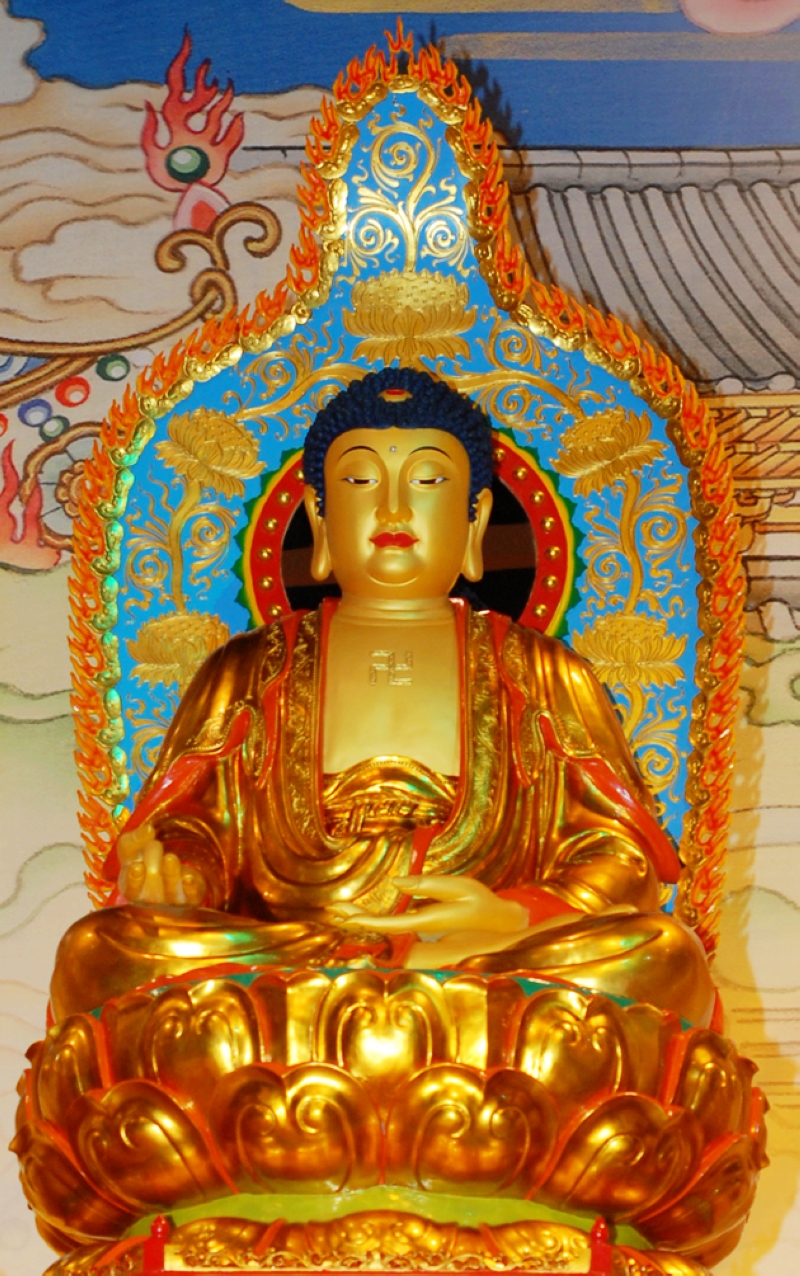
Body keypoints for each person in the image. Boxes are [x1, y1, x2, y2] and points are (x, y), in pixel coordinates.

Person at [51, 367, 715, 1027]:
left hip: (479, 965)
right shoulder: (247, 671)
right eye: (360, 482)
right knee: (101, 950)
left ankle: (395, 998)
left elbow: (619, 857)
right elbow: (198, 832)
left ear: (476, 517)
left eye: (427, 482)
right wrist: (177, 878)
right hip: (289, 964)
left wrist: (514, 916)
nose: (393, 510)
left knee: (662, 954)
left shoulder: (541, 673)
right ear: (319, 515)